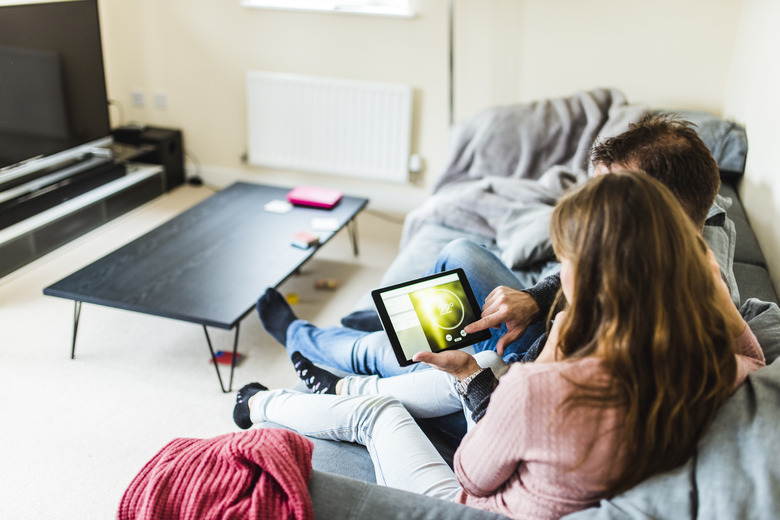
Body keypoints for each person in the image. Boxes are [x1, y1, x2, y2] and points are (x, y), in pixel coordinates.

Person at [235, 171, 765, 520]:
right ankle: (342, 380)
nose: (563, 274)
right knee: (480, 357)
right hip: (562, 451)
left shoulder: (550, 387)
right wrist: (709, 285)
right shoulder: (712, 362)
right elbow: (755, 357)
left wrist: (481, 376)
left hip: (475, 507)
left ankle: (255, 401)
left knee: (381, 414)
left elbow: (471, 472)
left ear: (596, 278)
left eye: (569, 263)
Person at [257, 113, 728, 378]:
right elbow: (570, 282)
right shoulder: (667, 246)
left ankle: (303, 338)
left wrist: (475, 371)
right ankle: (398, 323)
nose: (590, 207)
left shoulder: (659, 324)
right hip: (536, 337)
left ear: (654, 211)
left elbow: (529, 405)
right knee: (462, 252)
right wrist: (534, 299)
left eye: (608, 198)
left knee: (387, 355)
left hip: (521, 370)